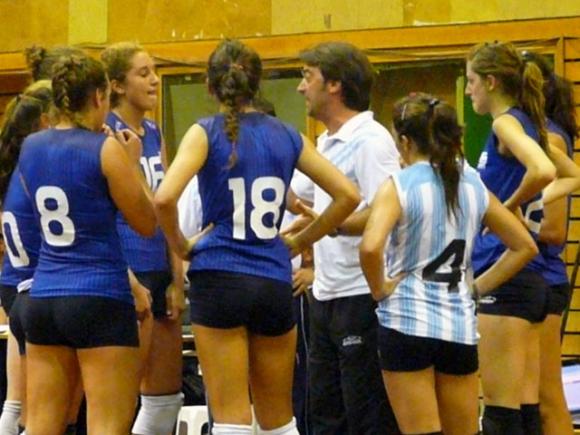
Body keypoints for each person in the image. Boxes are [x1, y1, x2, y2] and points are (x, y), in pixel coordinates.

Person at [154, 39, 360, 435]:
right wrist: (301, 241)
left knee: (231, 416)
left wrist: (182, 246)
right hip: (272, 279)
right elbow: (348, 196)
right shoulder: (288, 135)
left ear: (210, 86)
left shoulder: (204, 132)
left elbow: (164, 198)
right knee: (279, 418)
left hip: (219, 277)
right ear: (257, 83)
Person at [359, 92, 539, 435]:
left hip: (407, 321)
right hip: (458, 325)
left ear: (405, 142)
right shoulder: (471, 183)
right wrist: (477, 288)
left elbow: (369, 247)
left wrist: (379, 289)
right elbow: (524, 245)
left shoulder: (399, 184)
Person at [18, 53, 156, 435]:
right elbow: (146, 224)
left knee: (41, 424)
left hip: (45, 297)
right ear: (98, 96)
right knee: (107, 426)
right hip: (99, 296)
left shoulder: (31, 146)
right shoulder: (105, 149)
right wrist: (131, 165)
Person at [294, 41, 401, 434]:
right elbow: (299, 198)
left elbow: (387, 211)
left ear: (334, 84)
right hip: (326, 294)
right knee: (325, 417)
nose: (301, 88)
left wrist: (331, 224)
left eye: (308, 77)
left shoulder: (371, 140)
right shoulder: (324, 142)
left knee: (366, 418)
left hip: (361, 294)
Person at [467, 41, 557, 435]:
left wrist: (506, 207)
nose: (469, 91)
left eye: (471, 81)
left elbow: (544, 170)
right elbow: (561, 173)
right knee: (525, 411)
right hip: (528, 278)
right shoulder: (527, 122)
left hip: (506, 275)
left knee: (501, 415)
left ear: (490, 81)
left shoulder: (505, 123)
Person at [101, 41, 185, 435]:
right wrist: (127, 278)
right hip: (126, 272)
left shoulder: (152, 131)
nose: (154, 81)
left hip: (159, 267)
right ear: (117, 85)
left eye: (154, 71)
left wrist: (177, 277)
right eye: (143, 73)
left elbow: (165, 204)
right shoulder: (105, 131)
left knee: (166, 398)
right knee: (121, 401)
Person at [523, 51, 579, 435]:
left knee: (548, 399)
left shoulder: (550, 139)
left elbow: (555, 229)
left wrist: (503, 221)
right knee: (526, 400)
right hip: (526, 281)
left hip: (543, 277)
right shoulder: (525, 136)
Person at [0, 81, 54, 435]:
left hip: (14, 284)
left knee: (18, 401)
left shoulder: (11, 168)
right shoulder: (38, 171)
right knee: (41, 410)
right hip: (37, 286)